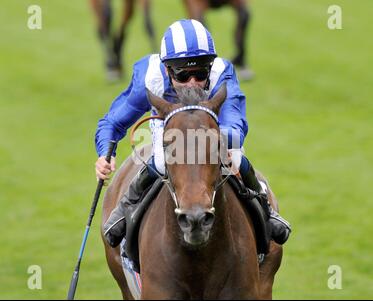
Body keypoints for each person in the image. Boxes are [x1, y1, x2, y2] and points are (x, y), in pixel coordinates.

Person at [95, 19, 291, 248]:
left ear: (210, 67)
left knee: (234, 157)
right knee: (160, 160)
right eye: (182, 75)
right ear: (167, 70)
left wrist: (207, 140)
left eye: (200, 73)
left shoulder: (221, 74)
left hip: (211, 132)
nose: (192, 83)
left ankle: (265, 210)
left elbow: (235, 125)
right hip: (168, 128)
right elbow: (113, 122)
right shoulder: (149, 78)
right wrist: (104, 154)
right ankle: (125, 206)